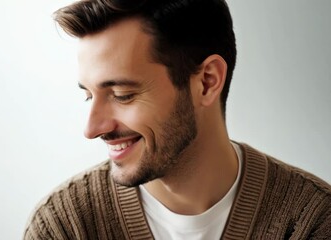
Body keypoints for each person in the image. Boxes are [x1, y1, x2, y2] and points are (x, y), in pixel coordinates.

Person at [24, 0, 331, 239]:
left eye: (122, 94)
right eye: (89, 95)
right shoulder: (65, 227)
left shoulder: (312, 222)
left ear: (207, 82)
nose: (92, 129)